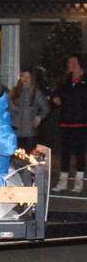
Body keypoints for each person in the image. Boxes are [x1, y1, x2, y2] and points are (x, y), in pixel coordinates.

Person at [51, 54, 87, 193]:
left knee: (79, 152)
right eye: (69, 62)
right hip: (66, 122)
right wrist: (55, 99)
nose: (71, 64)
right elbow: (55, 95)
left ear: (80, 63)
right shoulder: (65, 80)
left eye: (74, 62)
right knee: (65, 152)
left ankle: (79, 181)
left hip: (81, 122)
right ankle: (63, 180)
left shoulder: (84, 79)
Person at [9, 68, 49, 154]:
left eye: (28, 77)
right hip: (15, 131)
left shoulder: (36, 93)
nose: (25, 79)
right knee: (15, 158)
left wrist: (39, 117)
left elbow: (46, 108)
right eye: (23, 76)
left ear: (32, 78)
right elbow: (8, 108)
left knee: (30, 157)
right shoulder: (14, 91)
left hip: (30, 133)